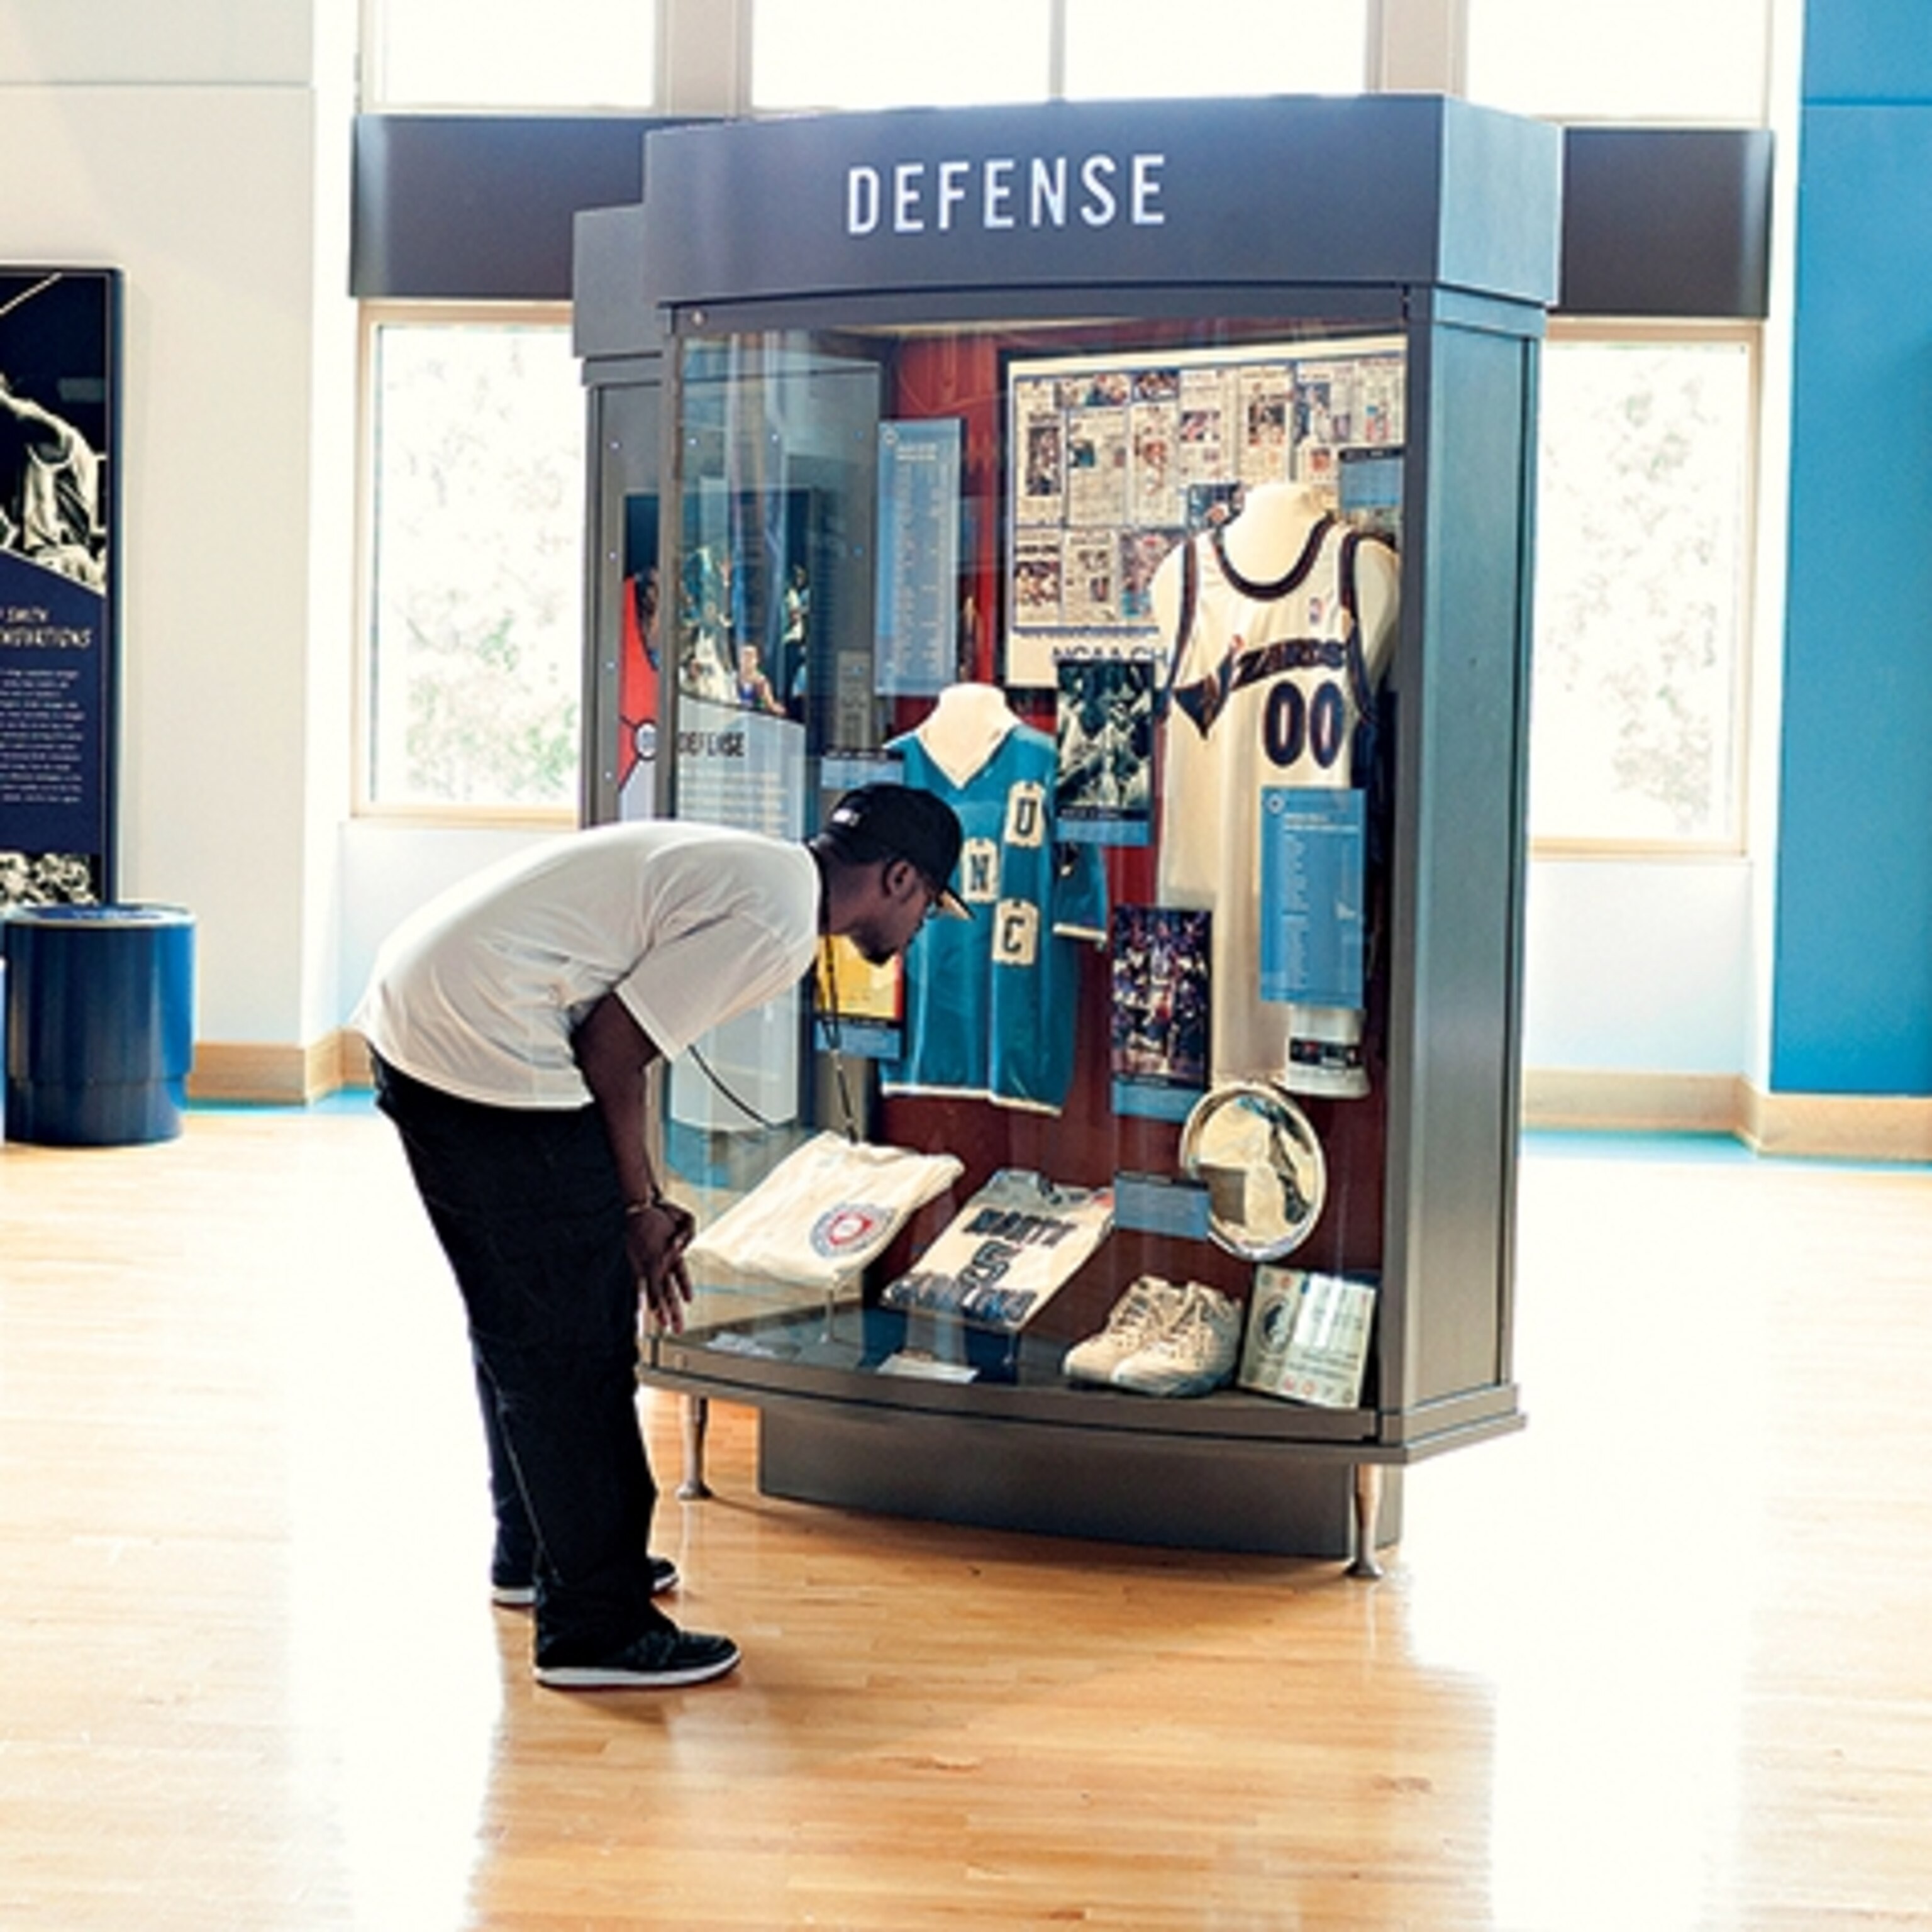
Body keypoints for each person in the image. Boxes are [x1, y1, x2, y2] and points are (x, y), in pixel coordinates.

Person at [353, 784, 968, 1691]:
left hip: (435, 1015)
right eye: (926, 906)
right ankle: (593, 1626)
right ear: (900, 878)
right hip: (481, 1038)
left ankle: (544, 1554)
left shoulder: (764, 875)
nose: (919, 929)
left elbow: (611, 1038)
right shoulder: (777, 923)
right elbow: (613, 1049)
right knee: (571, 1336)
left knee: (527, 1311)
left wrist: (636, 1201)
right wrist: (638, 1207)